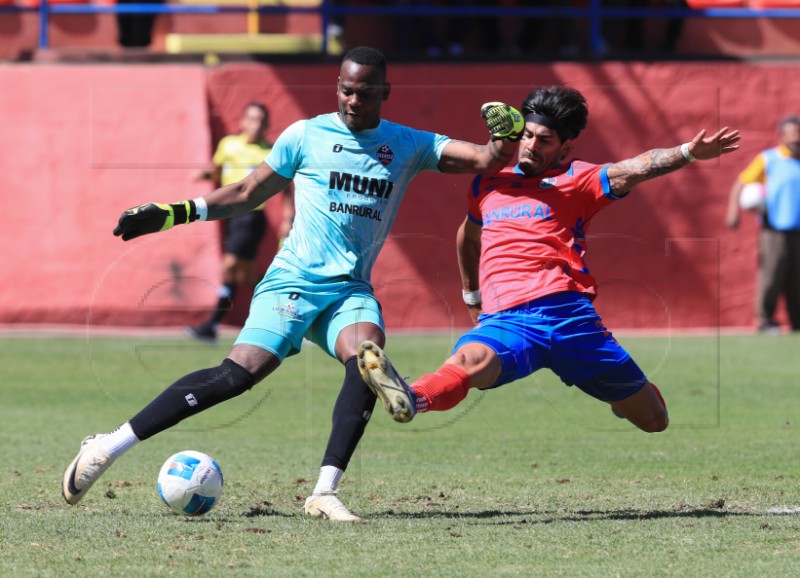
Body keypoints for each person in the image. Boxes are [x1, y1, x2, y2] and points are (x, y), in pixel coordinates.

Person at [62, 46, 525, 522]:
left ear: (385, 92)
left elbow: (485, 159)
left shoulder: (408, 144)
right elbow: (246, 192)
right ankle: (108, 446)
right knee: (238, 376)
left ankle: (324, 492)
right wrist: (176, 213)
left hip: (349, 290)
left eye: (365, 93)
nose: (353, 100)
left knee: (368, 360)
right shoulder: (305, 135)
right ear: (337, 87)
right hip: (294, 281)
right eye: (346, 90)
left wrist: (505, 137)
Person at [357, 85, 740, 436]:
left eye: (545, 140)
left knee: (654, 421)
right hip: (508, 319)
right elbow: (467, 236)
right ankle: (411, 396)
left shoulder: (579, 179)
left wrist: (689, 152)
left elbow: (639, 166)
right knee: (468, 360)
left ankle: (618, 395)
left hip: (570, 319)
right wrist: (471, 296)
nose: (531, 146)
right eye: (526, 135)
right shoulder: (488, 181)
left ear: (564, 148)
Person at [186, 102, 295, 345]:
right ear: (242, 122)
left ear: (267, 126)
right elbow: (217, 171)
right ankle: (284, 313)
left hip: (251, 217)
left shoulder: (270, 152)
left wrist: (288, 218)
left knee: (229, 266)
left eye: (261, 121)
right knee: (248, 276)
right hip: (229, 217)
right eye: (252, 119)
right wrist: (205, 176)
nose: (256, 125)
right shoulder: (228, 145)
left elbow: (287, 189)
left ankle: (212, 325)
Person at [726, 115, 800, 334]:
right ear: (782, 136)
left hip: (798, 232)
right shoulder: (769, 159)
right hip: (774, 230)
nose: (797, 137)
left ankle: (797, 323)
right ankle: (765, 321)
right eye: (793, 133)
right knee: (772, 276)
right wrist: (733, 211)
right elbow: (742, 182)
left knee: (797, 281)